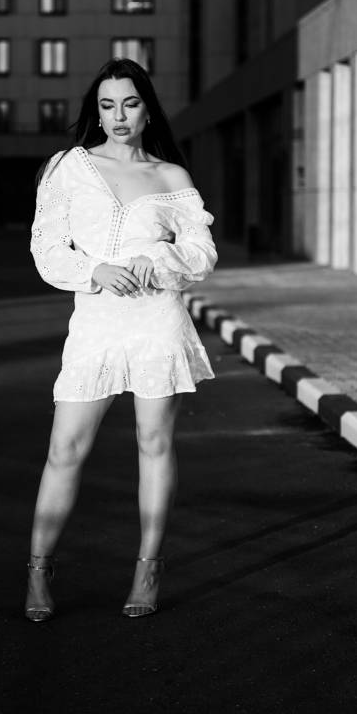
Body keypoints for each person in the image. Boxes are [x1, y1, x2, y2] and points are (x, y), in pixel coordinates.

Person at [26, 59, 218, 622]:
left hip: (157, 319)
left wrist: (157, 258)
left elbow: (202, 255)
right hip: (96, 322)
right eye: (107, 105)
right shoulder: (68, 167)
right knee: (65, 448)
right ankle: (38, 569)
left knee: (154, 442)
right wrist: (96, 271)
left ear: (147, 109)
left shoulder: (171, 177)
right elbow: (46, 248)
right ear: (96, 111)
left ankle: (148, 568)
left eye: (130, 103)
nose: (119, 116)